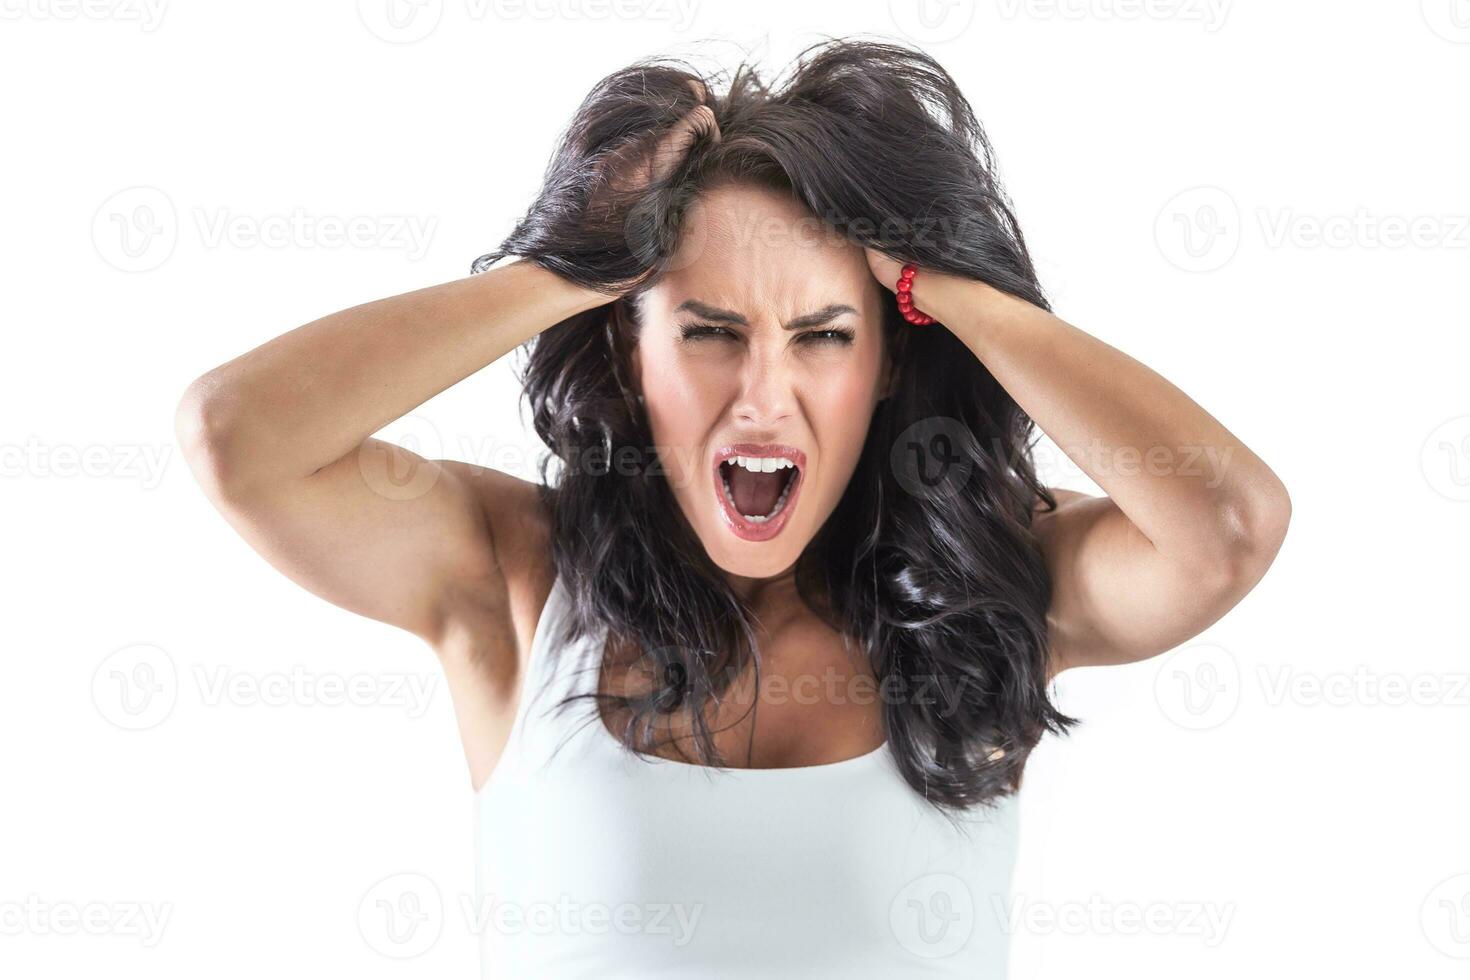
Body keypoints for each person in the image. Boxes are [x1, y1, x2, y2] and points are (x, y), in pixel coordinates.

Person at [175, 38, 1289, 979]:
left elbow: (1231, 526)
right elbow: (239, 437)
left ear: (892, 362)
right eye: (709, 331)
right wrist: (566, 264)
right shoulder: (513, 576)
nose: (764, 397)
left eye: (823, 336)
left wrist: (942, 282)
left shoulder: (992, 588)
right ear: (631, 343)